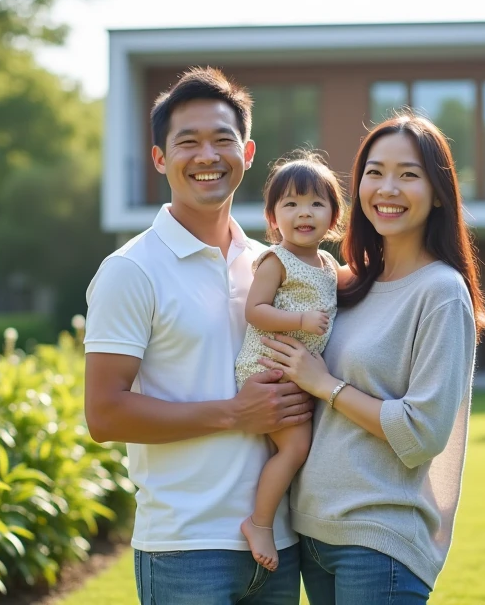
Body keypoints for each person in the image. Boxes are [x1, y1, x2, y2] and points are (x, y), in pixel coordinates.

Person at [82, 67, 312, 605]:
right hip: (185, 549)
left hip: (278, 545)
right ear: (161, 159)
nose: (207, 156)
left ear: (248, 152)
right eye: (188, 142)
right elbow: (105, 414)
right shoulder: (131, 269)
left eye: (222, 140)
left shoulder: (269, 264)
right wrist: (235, 413)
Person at [259, 112, 485, 604]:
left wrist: (326, 385)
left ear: (438, 192)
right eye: (374, 172)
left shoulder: (440, 292)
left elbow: (423, 431)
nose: (387, 188)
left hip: (379, 543)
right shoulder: (343, 282)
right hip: (313, 534)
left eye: (408, 174)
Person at [234, 151, 347, 572]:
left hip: (297, 374)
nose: (304, 213)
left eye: (316, 204)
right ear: (272, 216)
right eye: (291, 204)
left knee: (298, 445)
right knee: (296, 446)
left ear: (333, 216)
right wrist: (299, 319)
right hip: (268, 370)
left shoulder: (327, 265)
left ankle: (283, 516)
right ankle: (259, 522)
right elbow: (256, 310)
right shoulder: (275, 260)